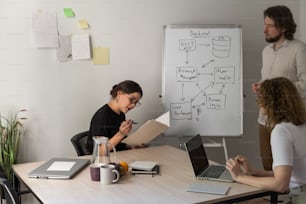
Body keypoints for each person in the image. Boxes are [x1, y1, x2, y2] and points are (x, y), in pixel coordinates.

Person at [227, 77, 306, 203]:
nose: (258, 102)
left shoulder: (282, 131)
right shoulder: (300, 125)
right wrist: (254, 172)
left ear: (271, 102)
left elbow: (280, 184)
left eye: (261, 99)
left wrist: (239, 177)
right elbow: (288, 174)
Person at [252, 5, 306, 170]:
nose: (264, 30)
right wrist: (260, 86)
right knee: (267, 163)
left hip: (287, 119)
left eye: (270, 25)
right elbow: (268, 80)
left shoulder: (299, 49)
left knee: (285, 168)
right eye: (264, 24)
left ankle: (291, 196)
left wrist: (275, 89)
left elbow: (305, 84)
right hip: (265, 118)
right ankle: (272, 196)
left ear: (283, 27)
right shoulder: (266, 51)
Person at [86, 80, 143, 153]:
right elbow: (99, 150)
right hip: (99, 160)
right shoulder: (102, 116)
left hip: (115, 155)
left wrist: (129, 146)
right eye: (131, 99)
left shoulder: (121, 114)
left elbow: (116, 144)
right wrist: (121, 134)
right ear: (119, 94)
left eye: (136, 103)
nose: (133, 105)